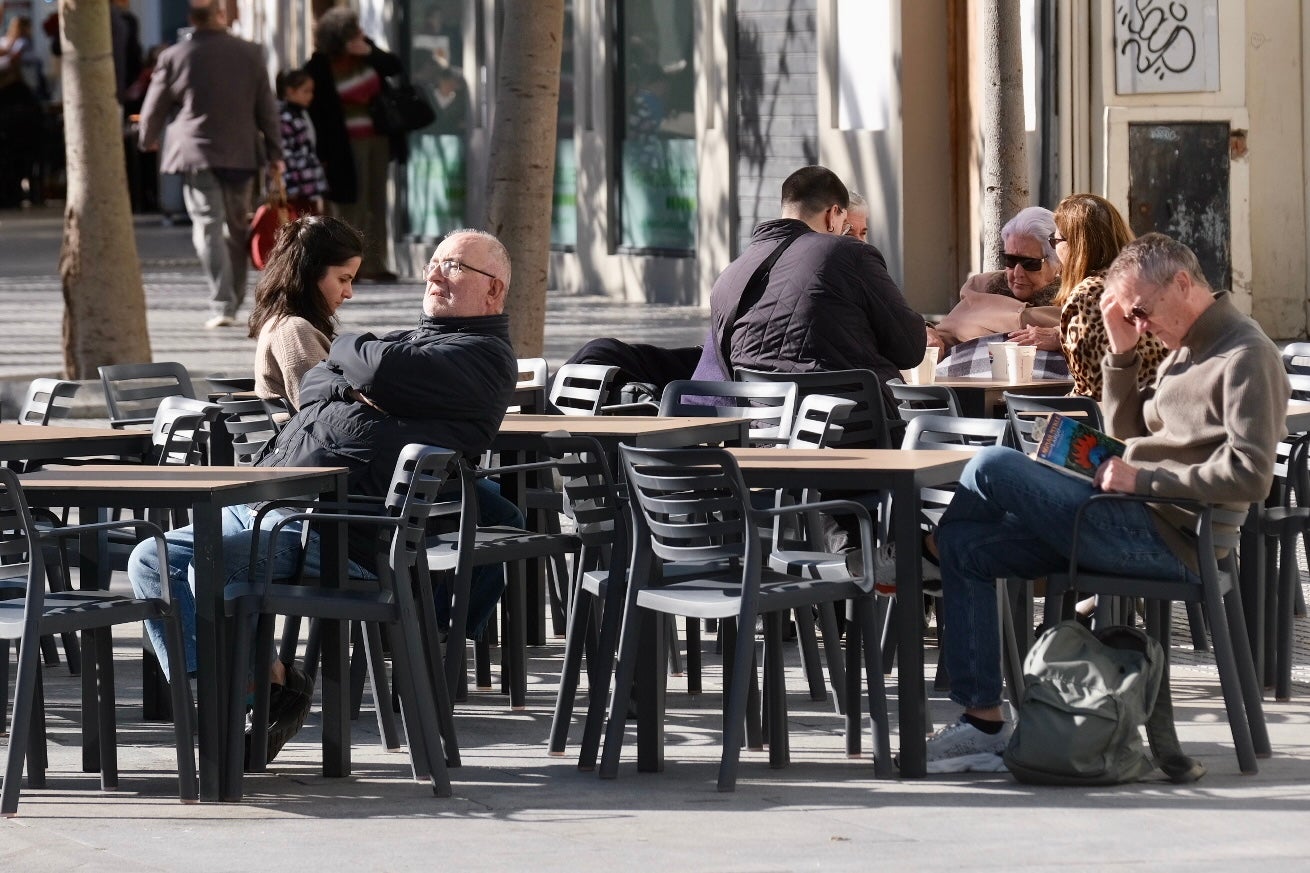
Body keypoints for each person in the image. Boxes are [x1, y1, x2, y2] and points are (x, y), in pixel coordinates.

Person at [129, 228, 522, 760]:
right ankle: (259, 690)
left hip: (336, 531)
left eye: (453, 267)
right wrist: (354, 373)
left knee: (206, 563)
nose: (432, 274)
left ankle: (241, 709)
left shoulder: (483, 358)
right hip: (273, 504)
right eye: (434, 262)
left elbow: (368, 364)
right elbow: (316, 384)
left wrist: (353, 359)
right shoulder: (413, 343)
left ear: (493, 290)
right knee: (150, 559)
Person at [926, 233, 1290, 773]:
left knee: (991, 465)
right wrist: (1120, 357)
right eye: (1132, 315)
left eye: (1141, 310)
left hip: (1173, 539)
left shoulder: (1244, 352)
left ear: (1183, 284)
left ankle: (918, 557)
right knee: (966, 544)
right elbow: (1126, 437)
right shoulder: (1180, 346)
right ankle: (983, 719)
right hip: (1124, 518)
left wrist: (1142, 481)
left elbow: (1252, 475)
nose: (1140, 324)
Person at [694, 165, 926, 416]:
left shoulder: (729, 277)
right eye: (844, 223)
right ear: (833, 214)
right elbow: (910, 349)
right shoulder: (847, 254)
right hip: (855, 429)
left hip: (764, 433)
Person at [138, 0, 284, 329]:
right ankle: (234, 296)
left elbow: (154, 105)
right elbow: (267, 109)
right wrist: (276, 154)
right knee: (235, 227)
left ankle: (223, 304)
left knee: (207, 227)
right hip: (241, 152)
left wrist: (147, 138)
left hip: (196, 152)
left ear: (191, 20)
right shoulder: (251, 53)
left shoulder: (174, 56)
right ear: (220, 16)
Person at [1009, 193, 1168, 399]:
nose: (1055, 249)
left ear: (1076, 246)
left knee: (1026, 423)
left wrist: (1044, 416)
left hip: (1117, 423)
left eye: (1055, 240)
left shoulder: (1087, 296)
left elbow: (1092, 391)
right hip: (1164, 411)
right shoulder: (1151, 281)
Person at [305, 8, 409, 283]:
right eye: (353, 31)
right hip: (344, 146)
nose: (361, 35)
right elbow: (316, 112)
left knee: (376, 202)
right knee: (352, 205)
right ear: (339, 37)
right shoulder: (319, 65)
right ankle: (349, 267)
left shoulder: (368, 54)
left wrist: (370, 52)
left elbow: (395, 67)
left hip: (377, 138)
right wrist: (322, 154)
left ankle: (376, 263)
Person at [248, 215, 362, 410]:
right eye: (343, 279)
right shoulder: (293, 331)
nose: (349, 293)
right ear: (311, 272)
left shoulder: (286, 325)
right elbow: (326, 413)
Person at [927, 206, 1062, 354]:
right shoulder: (980, 286)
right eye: (1010, 260)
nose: (1017, 273)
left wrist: (1059, 337)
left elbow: (1088, 336)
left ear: (1057, 263)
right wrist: (928, 333)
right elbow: (944, 334)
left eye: (1029, 263)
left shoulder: (1078, 296)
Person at [274, 68, 329, 215]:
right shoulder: (284, 118)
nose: (310, 96)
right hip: (297, 188)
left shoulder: (300, 114)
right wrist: (291, 187)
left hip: (307, 184)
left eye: (312, 91)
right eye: (305, 91)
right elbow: (287, 154)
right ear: (290, 91)